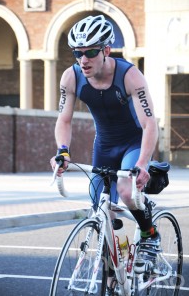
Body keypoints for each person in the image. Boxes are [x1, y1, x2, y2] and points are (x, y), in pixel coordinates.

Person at [50, 15, 161, 295]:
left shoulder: (130, 76)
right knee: (100, 213)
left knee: (125, 190)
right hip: (104, 146)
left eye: (90, 52)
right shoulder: (71, 76)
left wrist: (142, 164)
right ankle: (115, 272)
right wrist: (62, 151)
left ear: (106, 50)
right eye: (77, 53)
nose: (83, 59)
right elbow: (64, 120)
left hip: (133, 144)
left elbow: (150, 125)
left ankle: (150, 234)